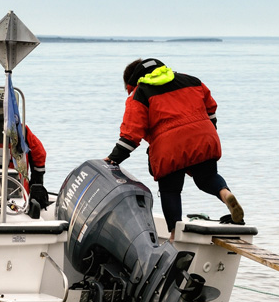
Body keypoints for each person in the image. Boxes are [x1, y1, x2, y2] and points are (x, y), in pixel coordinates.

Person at [104, 58, 244, 242]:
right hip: (204, 137)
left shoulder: (141, 93)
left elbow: (132, 134)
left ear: (133, 81)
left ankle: (173, 235)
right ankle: (226, 195)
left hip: (169, 147)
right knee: (207, 177)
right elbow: (211, 108)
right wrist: (207, 131)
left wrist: (113, 158)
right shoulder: (191, 80)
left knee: (170, 190)